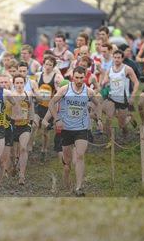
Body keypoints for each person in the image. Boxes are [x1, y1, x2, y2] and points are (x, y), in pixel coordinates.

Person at [44, 66, 103, 196]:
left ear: (85, 77)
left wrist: (99, 119)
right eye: (76, 77)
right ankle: (67, 178)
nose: (79, 80)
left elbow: (98, 104)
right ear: (73, 77)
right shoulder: (65, 89)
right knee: (67, 162)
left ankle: (79, 187)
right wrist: (57, 119)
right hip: (66, 129)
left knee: (80, 155)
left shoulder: (88, 92)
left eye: (81, 78)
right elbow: (51, 103)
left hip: (81, 129)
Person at [101, 50, 140, 137]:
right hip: (112, 97)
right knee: (108, 117)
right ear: (113, 58)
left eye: (119, 58)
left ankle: (128, 119)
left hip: (123, 99)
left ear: (122, 59)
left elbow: (136, 82)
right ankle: (111, 140)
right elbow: (105, 79)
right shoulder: (110, 69)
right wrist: (104, 82)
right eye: (115, 57)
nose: (116, 59)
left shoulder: (127, 69)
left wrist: (133, 96)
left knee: (121, 124)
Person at [34, 56, 63, 160]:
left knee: (45, 131)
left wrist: (58, 88)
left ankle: (44, 149)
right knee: (35, 124)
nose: (48, 67)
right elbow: (35, 88)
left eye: (50, 65)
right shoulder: (39, 76)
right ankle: (29, 145)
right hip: (39, 105)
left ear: (53, 66)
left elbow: (61, 90)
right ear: (43, 64)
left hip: (49, 107)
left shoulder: (56, 77)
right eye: (46, 64)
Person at [10, 74, 36, 185]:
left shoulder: (28, 94)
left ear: (24, 84)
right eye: (17, 83)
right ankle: (14, 163)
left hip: (25, 126)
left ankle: (22, 175)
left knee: (23, 149)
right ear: (14, 84)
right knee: (13, 153)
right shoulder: (10, 95)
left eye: (21, 83)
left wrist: (32, 121)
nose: (19, 85)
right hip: (13, 126)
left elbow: (31, 109)